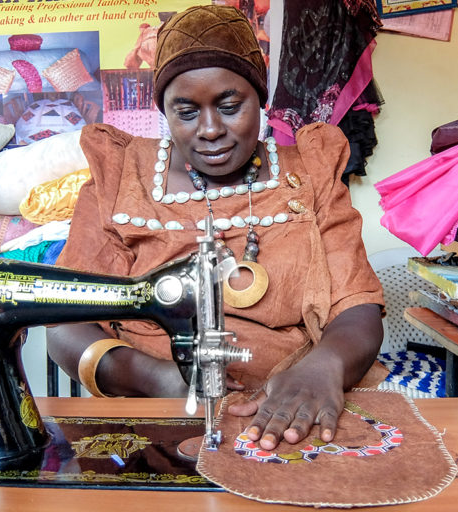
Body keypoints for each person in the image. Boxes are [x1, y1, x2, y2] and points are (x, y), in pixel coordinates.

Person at [47, 4, 385, 451]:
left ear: (260, 100)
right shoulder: (120, 178)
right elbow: (67, 322)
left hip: (294, 403)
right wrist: (153, 377)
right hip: (155, 409)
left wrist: (324, 366)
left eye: (229, 106)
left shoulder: (311, 173)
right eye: (186, 112)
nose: (209, 130)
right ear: (163, 111)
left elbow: (357, 307)